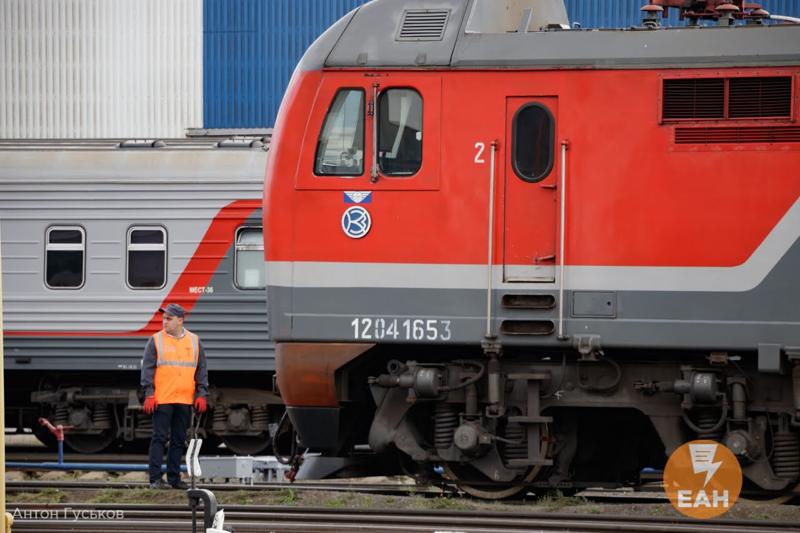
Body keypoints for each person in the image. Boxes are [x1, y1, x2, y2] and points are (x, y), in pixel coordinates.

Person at [140, 303, 209, 489]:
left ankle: (174, 478)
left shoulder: (194, 341)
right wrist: (149, 394)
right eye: (164, 318)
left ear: (180, 320)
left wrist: (201, 394)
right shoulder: (156, 340)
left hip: (184, 399)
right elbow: (147, 369)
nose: (164, 322)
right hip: (162, 398)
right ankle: (155, 479)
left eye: (168, 319)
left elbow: (201, 370)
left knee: (178, 440)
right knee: (159, 438)